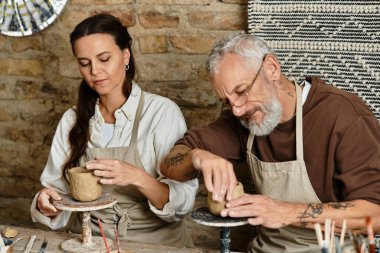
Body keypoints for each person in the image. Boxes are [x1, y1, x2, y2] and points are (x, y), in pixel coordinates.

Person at [160, 32, 380, 252]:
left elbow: (376, 214)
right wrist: (197, 157)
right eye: (227, 101)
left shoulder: (345, 116)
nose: (237, 109)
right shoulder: (241, 120)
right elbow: (168, 164)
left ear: (272, 68)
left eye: (242, 91)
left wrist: (287, 212)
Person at [30, 13, 198, 247]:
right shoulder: (72, 119)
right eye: (84, 63)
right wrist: (46, 202)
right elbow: (57, 197)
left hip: (156, 243)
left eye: (104, 59)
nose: (95, 71)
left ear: (125, 55)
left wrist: (136, 176)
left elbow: (182, 205)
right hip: (89, 241)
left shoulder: (162, 113)